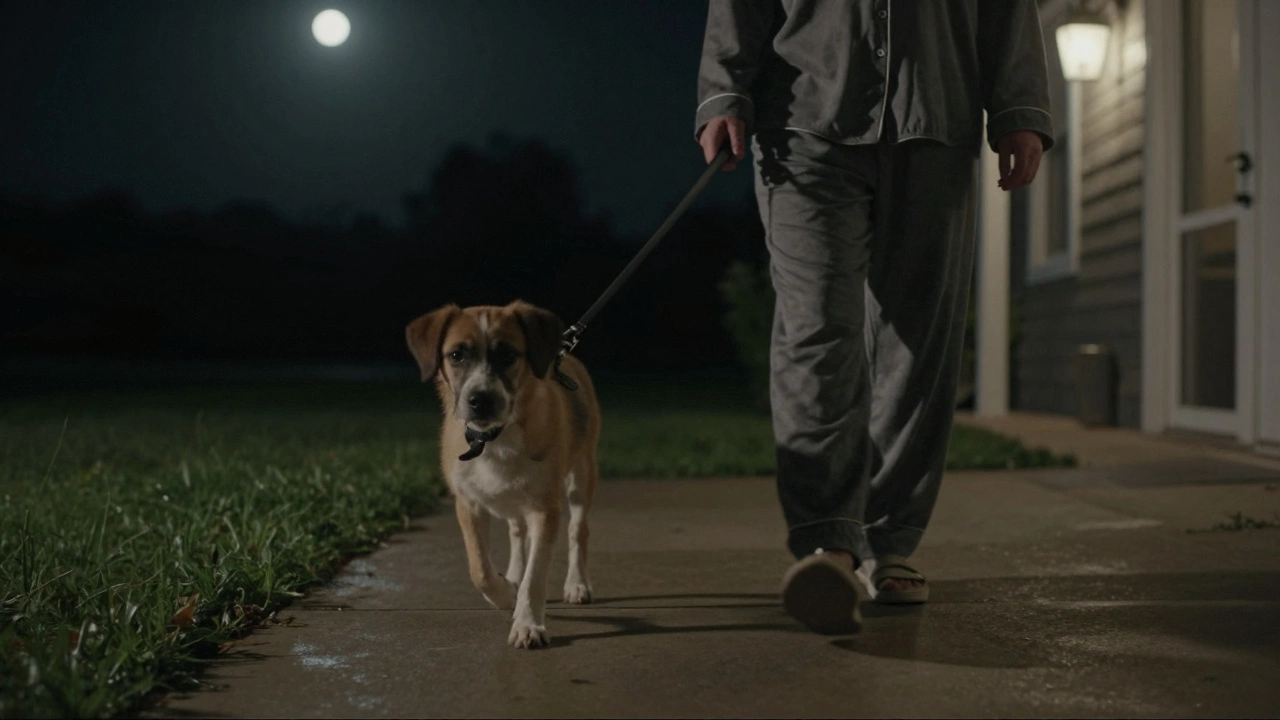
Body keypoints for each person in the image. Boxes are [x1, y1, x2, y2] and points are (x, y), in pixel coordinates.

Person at [694, 0, 1052, 634]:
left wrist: (1020, 109)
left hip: (937, 114)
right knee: (814, 331)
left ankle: (891, 543)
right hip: (803, 120)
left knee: (918, 340)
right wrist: (723, 90)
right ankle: (827, 543)